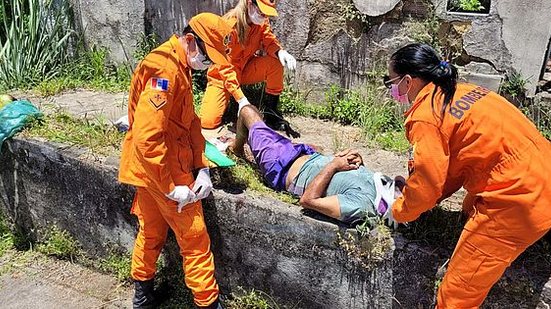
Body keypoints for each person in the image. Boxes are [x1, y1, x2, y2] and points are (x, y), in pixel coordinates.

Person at [385, 43, 551, 307]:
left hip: (518, 200)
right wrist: (428, 198)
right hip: (540, 172)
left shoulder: (426, 116)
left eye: (389, 81)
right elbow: (452, 169)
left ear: (407, 81)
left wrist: (401, 210)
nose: (390, 89)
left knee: (456, 295)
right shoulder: (466, 91)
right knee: (468, 208)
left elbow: (427, 183)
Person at [118, 13, 233, 309]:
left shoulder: (178, 65)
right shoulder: (165, 72)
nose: (207, 66)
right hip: (162, 169)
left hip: (149, 169)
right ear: (191, 41)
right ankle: (207, 304)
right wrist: (171, 186)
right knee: (195, 240)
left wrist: (202, 168)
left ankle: (143, 297)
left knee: (152, 231)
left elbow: (191, 124)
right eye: (207, 58)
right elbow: (147, 137)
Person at [229, 102, 402, 226]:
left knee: (247, 112)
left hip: (281, 164)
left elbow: (308, 201)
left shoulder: (361, 206)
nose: (402, 182)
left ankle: (237, 149)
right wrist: (357, 162)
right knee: (307, 144)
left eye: (405, 191)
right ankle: (255, 144)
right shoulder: (379, 187)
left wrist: (334, 165)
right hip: (306, 154)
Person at [199, 0, 299, 137]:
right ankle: (229, 104)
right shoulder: (228, 26)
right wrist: (240, 99)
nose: (264, 16)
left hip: (245, 69)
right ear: (250, 4)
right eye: (262, 12)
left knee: (275, 62)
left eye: (266, 14)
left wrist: (280, 52)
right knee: (208, 121)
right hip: (223, 76)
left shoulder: (261, 22)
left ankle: (271, 113)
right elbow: (225, 68)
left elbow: (269, 40)